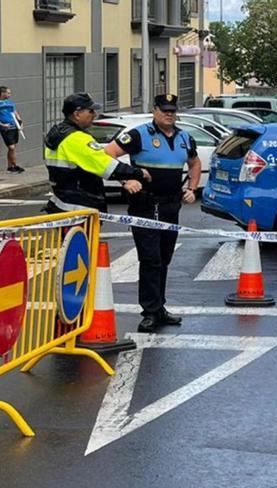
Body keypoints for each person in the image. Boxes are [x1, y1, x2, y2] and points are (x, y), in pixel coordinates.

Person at [105, 93, 200, 333]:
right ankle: (149, 311)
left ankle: (159, 308)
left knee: (164, 259)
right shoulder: (138, 134)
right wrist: (125, 179)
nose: (169, 114)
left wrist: (192, 188)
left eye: (173, 110)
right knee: (150, 260)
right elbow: (107, 155)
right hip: (145, 206)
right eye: (164, 110)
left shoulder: (184, 137)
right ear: (154, 110)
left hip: (170, 206)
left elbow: (195, 163)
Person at [43, 92, 146, 214]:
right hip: (81, 209)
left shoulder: (58, 134)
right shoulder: (76, 138)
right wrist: (138, 173)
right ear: (77, 114)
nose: (94, 114)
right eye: (90, 111)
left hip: (62, 205)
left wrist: (124, 180)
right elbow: (106, 165)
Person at [0, 87, 23, 173]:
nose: (10, 95)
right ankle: (15, 165)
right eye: (8, 93)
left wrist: (20, 122)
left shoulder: (10, 102)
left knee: (12, 148)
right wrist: (2, 124)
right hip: (6, 129)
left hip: (14, 127)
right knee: (11, 147)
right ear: (2, 93)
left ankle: (10, 167)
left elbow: (15, 112)